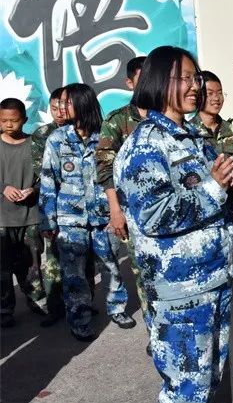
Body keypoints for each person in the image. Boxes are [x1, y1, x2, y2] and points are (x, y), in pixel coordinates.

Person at [113, 46, 233, 403]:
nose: (195, 86)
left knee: (208, 382)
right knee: (185, 390)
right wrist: (216, 187)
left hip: (212, 280)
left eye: (195, 77)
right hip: (180, 292)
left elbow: (216, 203)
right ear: (158, 82)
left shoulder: (195, 140)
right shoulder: (146, 145)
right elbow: (154, 215)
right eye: (184, 78)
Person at [39, 83, 134, 341]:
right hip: (70, 219)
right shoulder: (57, 139)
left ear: (83, 103)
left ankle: (117, 308)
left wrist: (120, 211)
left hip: (104, 216)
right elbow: (48, 180)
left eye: (67, 102)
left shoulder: (105, 136)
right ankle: (79, 319)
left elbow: (119, 177)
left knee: (111, 266)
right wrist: (47, 220)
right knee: (74, 274)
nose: (62, 107)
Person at [96, 56, 151, 342]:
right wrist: (115, 211)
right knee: (143, 273)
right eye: (142, 79)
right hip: (132, 211)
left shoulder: (166, 116)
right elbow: (105, 168)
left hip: (166, 209)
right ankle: (156, 333)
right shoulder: (117, 120)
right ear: (130, 83)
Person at [190, 70, 233, 257]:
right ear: (198, 96)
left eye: (220, 93)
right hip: (205, 220)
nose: (216, 98)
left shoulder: (230, 130)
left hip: (232, 216)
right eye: (210, 93)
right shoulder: (189, 132)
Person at [0, 98, 46, 328]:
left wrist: (33, 190)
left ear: (25, 120)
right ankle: (4, 309)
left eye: (14, 120)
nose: (9, 125)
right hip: (2, 220)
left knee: (32, 264)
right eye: (4, 120)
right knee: (2, 268)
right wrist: (3, 187)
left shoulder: (34, 145)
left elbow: (46, 176)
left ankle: (37, 301)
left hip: (30, 218)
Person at [31, 88, 69, 327]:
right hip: (54, 203)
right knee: (53, 259)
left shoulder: (82, 131)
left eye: (63, 108)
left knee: (84, 259)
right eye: (54, 108)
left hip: (79, 207)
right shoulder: (43, 135)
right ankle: (55, 307)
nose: (59, 113)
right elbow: (42, 170)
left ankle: (82, 303)